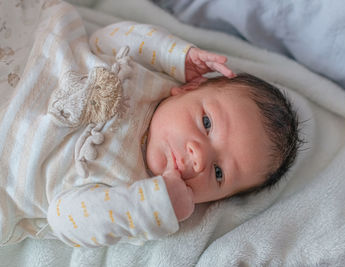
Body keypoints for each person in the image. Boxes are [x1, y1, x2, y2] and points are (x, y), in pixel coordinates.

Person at [29, 21, 299, 247]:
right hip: (32, 50)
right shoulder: (149, 75)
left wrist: (153, 205)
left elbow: (62, 217)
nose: (199, 158)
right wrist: (175, 56)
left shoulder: (130, 194)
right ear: (189, 88)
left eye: (218, 173)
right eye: (206, 123)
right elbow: (103, 40)